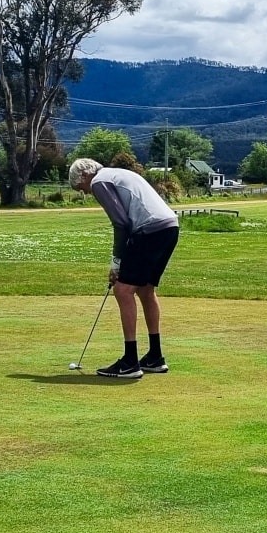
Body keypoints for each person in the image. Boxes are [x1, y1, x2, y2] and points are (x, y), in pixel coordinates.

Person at [68, 157, 180, 380]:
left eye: (81, 188)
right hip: (169, 228)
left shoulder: (99, 182)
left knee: (123, 290)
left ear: (84, 176)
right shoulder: (116, 174)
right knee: (145, 290)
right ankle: (155, 357)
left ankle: (130, 362)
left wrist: (116, 263)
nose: (86, 193)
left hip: (149, 231)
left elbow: (121, 223)